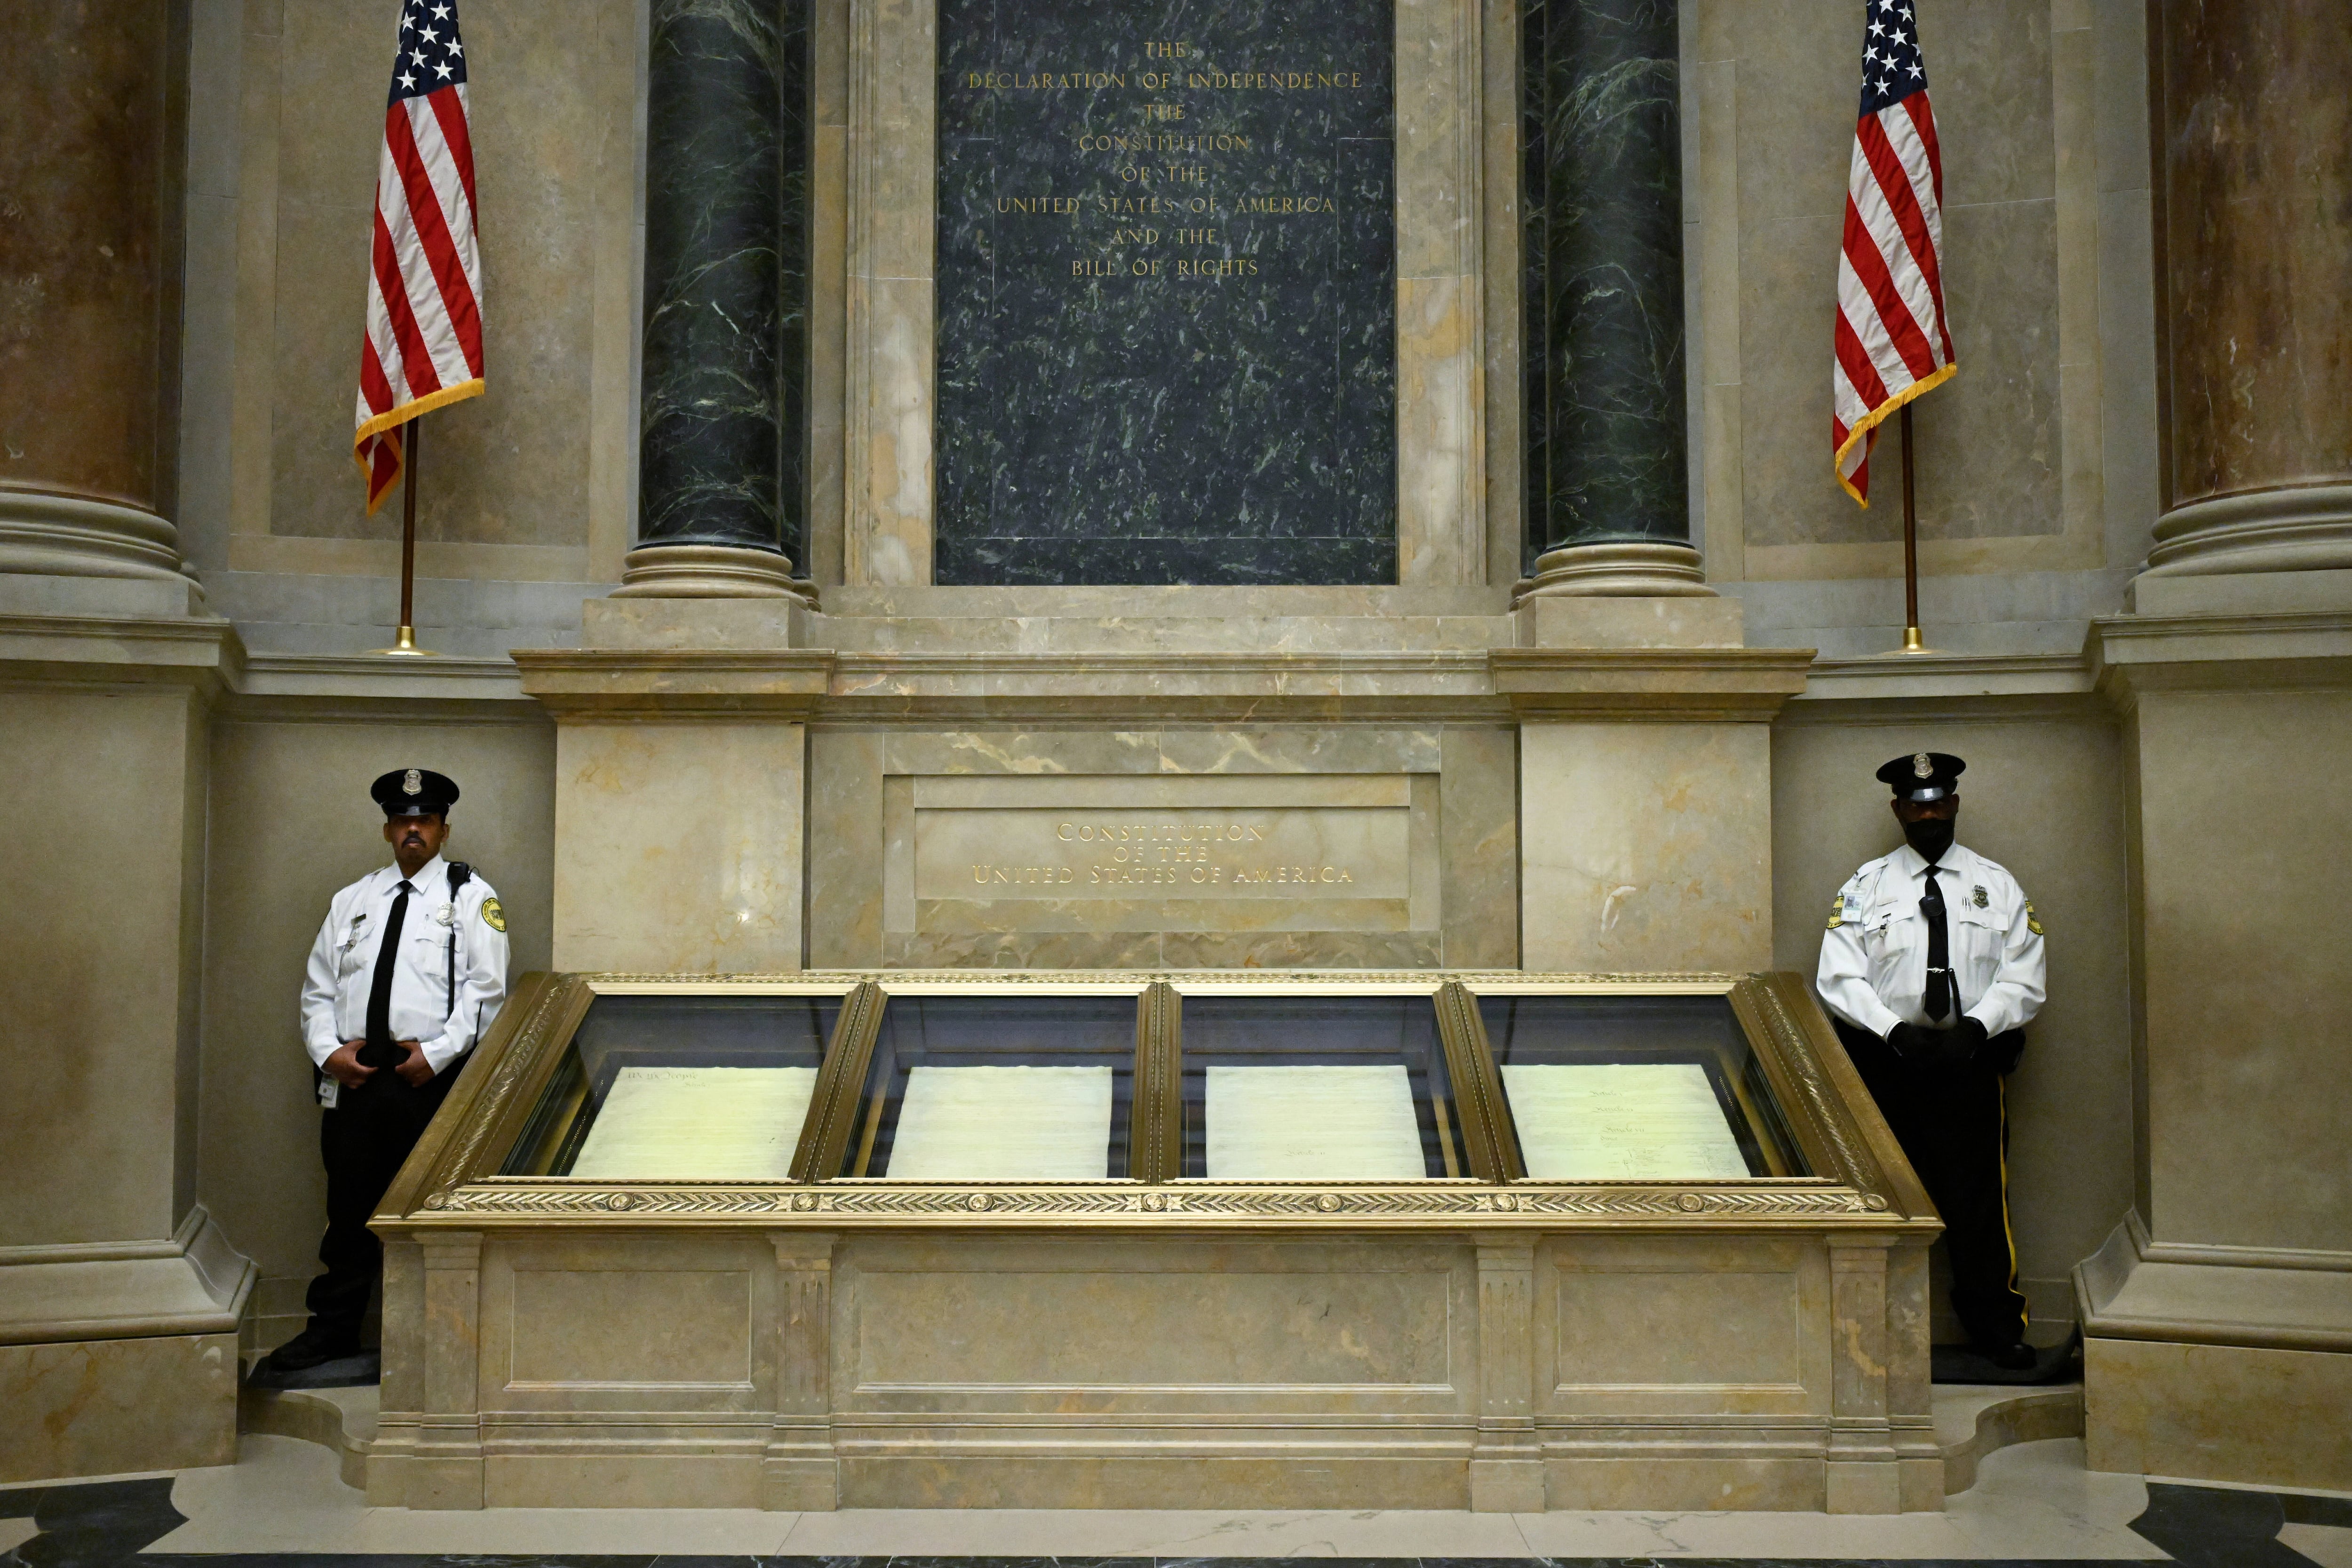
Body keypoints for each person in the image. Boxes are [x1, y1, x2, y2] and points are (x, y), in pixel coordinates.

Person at [250, 768, 509, 1385]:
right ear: (388, 828)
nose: (413, 829)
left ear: (444, 827)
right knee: (348, 1212)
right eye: (402, 819)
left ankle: (439, 1341)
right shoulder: (353, 901)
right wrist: (327, 1052)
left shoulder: (471, 898)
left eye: (424, 819)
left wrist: (438, 1055)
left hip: (429, 1083)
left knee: (432, 1215)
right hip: (356, 1080)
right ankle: (332, 1331)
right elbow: (318, 989)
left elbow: (487, 990)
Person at [1817, 752, 2046, 1373]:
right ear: (1897, 809)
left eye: (1939, 801)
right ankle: (1874, 1338)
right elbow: (1839, 977)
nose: (1929, 814)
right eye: (1916, 805)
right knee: (1884, 1203)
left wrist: (1975, 1027)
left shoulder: (1997, 885)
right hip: (1889, 1067)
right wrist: (1894, 1032)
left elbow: (2023, 974)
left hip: (1970, 1065)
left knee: (1978, 1203)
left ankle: (1997, 1329)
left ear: (1955, 803)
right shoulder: (1864, 887)